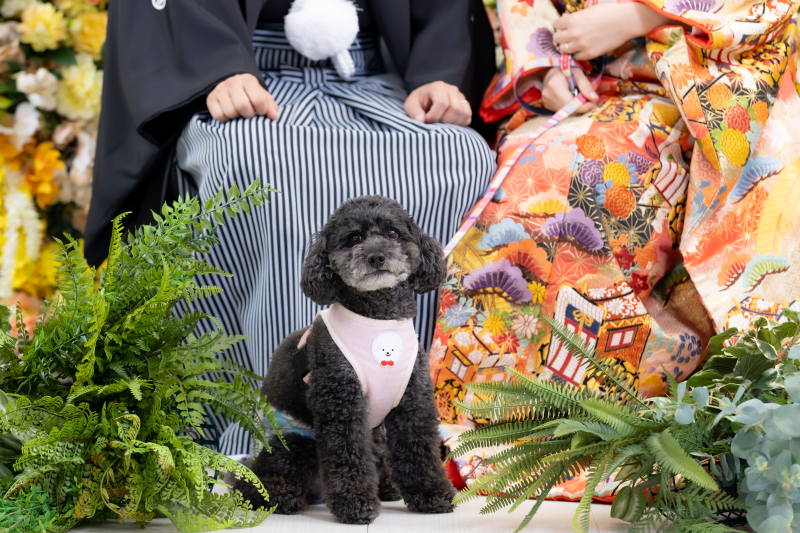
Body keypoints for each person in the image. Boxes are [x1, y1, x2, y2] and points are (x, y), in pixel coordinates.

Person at [85, 0, 498, 454]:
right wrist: (218, 68)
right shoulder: (233, 75)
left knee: (459, 159)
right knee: (265, 168)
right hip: (249, 80)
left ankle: (414, 426)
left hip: (376, 78)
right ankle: (284, 436)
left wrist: (436, 75)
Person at [432, 0, 800, 426]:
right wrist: (547, 66)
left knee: (593, 183)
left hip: (695, 85)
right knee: (524, 183)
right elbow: (527, 11)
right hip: (584, 86)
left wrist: (639, 16)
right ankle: (467, 416)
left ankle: (588, 426)